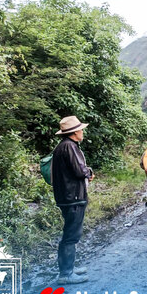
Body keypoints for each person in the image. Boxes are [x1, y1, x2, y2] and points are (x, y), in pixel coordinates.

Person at [51, 116, 94, 284]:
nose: (82, 132)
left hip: (67, 196)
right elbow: (79, 171)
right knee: (71, 235)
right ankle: (66, 274)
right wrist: (89, 173)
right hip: (73, 197)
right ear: (75, 132)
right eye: (81, 129)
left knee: (70, 233)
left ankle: (68, 268)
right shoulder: (69, 146)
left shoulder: (64, 146)